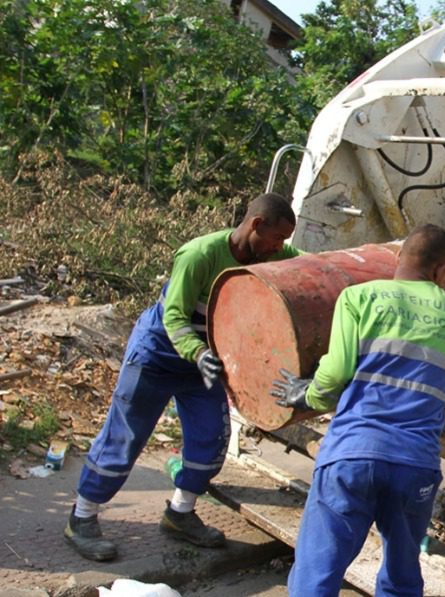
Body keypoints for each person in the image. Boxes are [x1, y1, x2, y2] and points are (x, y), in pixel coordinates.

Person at [64, 193, 301, 562]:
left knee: (210, 438)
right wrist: (199, 353)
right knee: (124, 437)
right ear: (256, 225)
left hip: (201, 365)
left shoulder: (269, 255)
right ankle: (81, 518)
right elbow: (174, 317)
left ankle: (180, 513)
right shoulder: (199, 255)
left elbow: (311, 265)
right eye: (276, 239)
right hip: (158, 356)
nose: (279, 248)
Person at [272, 223, 445, 597]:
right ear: (443, 270)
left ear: (398, 257)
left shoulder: (358, 297)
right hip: (414, 466)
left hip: (351, 455)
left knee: (318, 571)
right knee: (401, 576)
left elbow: (335, 372)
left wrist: (309, 396)